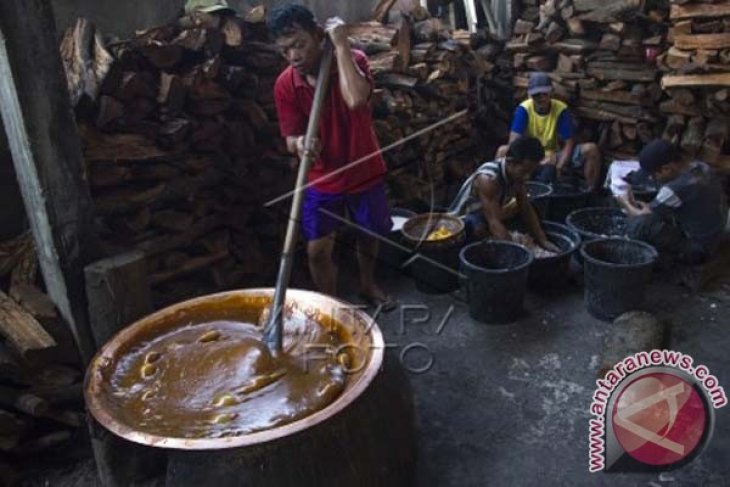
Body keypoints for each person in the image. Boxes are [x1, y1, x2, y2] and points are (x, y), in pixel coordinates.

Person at [268, 4, 396, 310]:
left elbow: (355, 99)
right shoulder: (286, 84)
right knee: (317, 251)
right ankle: (334, 307)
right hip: (322, 177)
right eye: (285, 50)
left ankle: (367, 284)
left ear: (317, 35)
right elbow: (290, 140)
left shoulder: (355, 61)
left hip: (363, 168)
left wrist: (341, 44)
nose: (294, 56)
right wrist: (301, 144)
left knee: (368, 234)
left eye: (300, 45)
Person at [621, 139, 727, 265]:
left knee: (641, 225)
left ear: (666, 169)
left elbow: (644, 217)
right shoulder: (701, 166)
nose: (652, 178)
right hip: (714, 233)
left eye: (654, 175)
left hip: (699, 248)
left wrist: (624, 202)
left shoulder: (676, 188)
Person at [449, 136, 560, 251]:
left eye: (531, 172)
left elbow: (526, 208)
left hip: (489, 212)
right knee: (478, 228)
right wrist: (516, 252)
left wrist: (543, 240)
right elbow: (494, 222)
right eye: (524, 172)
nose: (527, 177)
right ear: (510, 162)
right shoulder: (489, 179)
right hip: (462, 221)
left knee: (529, 211)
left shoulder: (517, 176)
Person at [497, 72, 602, 189]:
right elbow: (513, 143)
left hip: (555, 153)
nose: (541, 98)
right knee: (502, 151)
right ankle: (504, 188)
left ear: (551, 92)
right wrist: (531, 161)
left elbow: (569, 143)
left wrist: (559, 167)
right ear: (530, 95)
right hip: (530, 154)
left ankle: (590, 191)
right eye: (537, 95)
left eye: (544, 94)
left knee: (591, 149)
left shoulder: (561, 109)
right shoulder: (524, 109)